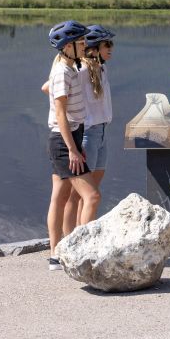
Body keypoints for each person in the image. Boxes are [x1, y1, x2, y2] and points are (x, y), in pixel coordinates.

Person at [44, 20, 101, 271]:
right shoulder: (62, 73)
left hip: (72, 136)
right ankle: (80, 250)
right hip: (63, 140)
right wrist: (72, 149)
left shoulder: (68, 67)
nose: (85, 45)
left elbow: (48, 90)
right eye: (80, 42)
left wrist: (76, 143)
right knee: (92, 196)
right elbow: (60, 115)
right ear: (68, 46)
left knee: (61, 196)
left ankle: (56, 254)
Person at [62, 24, 115, 233]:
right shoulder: (80, 70)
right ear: (93, 48)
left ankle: (82, 234)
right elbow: (50, 87)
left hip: (101, 133)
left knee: (92, 192)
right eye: (107, 44)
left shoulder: (100, 68)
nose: (111, 48)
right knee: (78, 194)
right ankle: (73, 242)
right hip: (87, 134)